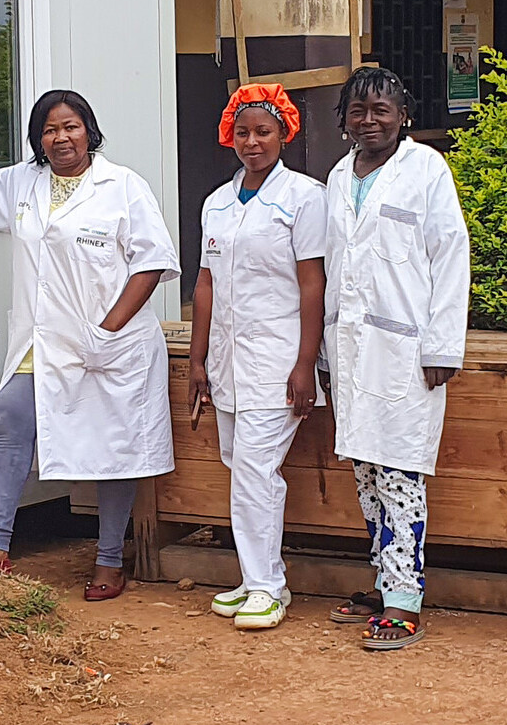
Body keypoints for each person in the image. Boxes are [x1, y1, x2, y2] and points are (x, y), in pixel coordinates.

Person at [0, 89, 178, 601]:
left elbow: (152, 262)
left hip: (110, 343)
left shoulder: (123, 187)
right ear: (38, 139)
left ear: (88, 130)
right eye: (50, 130)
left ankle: (110, 561)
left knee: (114, 448)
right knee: (9, 413)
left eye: (70, 126)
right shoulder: (25, 182)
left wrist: (109, 330)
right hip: (45, 338)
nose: (61, 137)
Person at [321, 66, 470, 650]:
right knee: (364, 469)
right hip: (351, 349)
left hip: (409, 351)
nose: (369, 120)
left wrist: (441, 346)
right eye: (358, 111)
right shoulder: (337, 176)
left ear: (402, 114)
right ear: (344, 120)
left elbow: (450, 257)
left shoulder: (426, 169)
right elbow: (334, 269)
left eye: (381, 109)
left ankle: (405, 601)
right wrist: (326, 356)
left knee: (400, 471)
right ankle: (386, 580)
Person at [188, 83, 327, 631]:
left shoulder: (303, 198)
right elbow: (205, 284)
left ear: (284, 133)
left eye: (263, 132)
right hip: (225, 359)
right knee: (237, 464)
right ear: (230, 136)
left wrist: (305, 364)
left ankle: (269, 586)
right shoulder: (216, 203)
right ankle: (253, 577)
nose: (252, 142)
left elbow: (312, 285)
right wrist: (197, 361)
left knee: (254, 469)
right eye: (242, 132)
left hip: (277, 358)